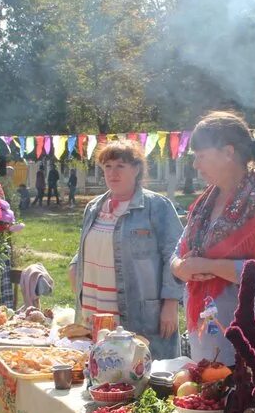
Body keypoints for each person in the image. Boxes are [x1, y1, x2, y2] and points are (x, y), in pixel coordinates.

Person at [171, 111, 255, 365]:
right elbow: (178, 250)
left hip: (253, 355)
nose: (196, 165)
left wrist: (210, 266)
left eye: (201, 156)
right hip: (208, 348)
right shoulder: (205, 202)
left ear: (228, 152)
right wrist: (180, 268)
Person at [69, 141, 183, 359]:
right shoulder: (94, 207)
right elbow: (93, 244)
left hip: (138, 313)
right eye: (108, 166)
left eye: (121, 166)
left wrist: (170, 303)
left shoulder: (157, 206)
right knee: (102, 373)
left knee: (138, 373)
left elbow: (175, 255)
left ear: (137, 169)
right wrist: (75, 265)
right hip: (94, 309)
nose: (113, 173)